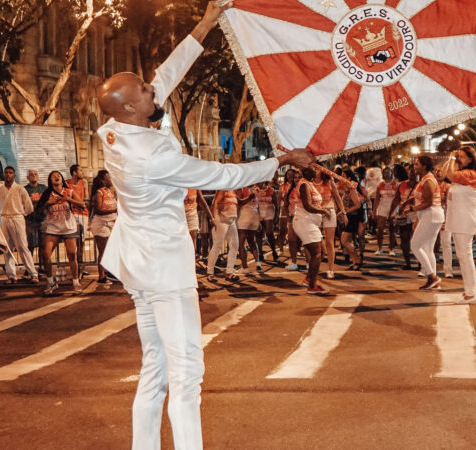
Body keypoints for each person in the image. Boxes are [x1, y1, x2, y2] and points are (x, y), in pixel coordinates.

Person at [95, 3, 315, 447]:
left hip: (137, 264)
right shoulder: (154, 157)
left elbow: (165, 75)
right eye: (146, 90)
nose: (155, 89)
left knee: (155, 366)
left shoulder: (114, 129)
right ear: (135, 106)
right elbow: (223, 176)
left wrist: (208, 20)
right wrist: (281, 161)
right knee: (187, 373)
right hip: (164, 270)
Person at [440, 146, 476, 303]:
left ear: (471, 159)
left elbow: (449, 174)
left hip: (465, 219)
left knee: (465, 255)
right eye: (459, 156)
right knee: (463, 255)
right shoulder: (461, 175)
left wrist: (452, 158)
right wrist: (451, 157)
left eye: (463, 156)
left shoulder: (470, 174)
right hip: (459, 219)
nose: (459, 159)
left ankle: (471, 293)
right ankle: (469, 291)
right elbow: (445, 172)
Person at [36, 171, 84, 295]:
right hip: (53, 228)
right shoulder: (47, 194)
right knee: (45, 254)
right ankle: (51, 282)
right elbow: (39, 210)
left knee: (72, 255)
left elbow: (82, 204)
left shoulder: (70, 192)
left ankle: (75, 282)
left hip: (68, 227)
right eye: (53, 176)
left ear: (62, 179)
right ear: (50, 181)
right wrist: (48, 203)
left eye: (58, 175)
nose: (56, 177)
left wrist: (68, 199)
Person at [405, 156, 444, 290]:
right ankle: (433, 281)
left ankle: (432, 276)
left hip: (431, 215)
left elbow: (428, 202)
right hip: (430, 216)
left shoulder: (428, 180)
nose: (414, 167)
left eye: (417, 164)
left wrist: (412, 209)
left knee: (415, 245)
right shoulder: (424, 179)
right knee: (427, 249)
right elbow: (420, 199)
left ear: (424, 166)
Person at [0, 166, 38, 284]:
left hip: (17, 217)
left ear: (14, 175)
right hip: (4, 218)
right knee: (7, 248)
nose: (8, 175)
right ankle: (11, 275)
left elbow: (29, 206)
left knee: (23, 246)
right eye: (6, 173)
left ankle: (33, 273)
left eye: (10, 173)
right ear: (4, 174)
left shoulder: (20, 189)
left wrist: (21, 214)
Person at [294, 167, 330, 294]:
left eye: (316, 168)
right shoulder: (304, 185)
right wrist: (323, 211)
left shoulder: (309, 184)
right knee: (317, 254)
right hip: (305, 222)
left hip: (310, 223)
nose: (316, 171)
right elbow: (308, 206)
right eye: (313, 169)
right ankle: (312, 286)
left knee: (322, 252)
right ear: (305, 171)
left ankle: (308, 279)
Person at [314, 170, 346, 279]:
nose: (314, 171)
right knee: (316, 242)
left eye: (316, 169)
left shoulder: (329, 181)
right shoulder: (309, 183)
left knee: (329, 242)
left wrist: (343, 212)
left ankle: (331, 269)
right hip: (315, 213)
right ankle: (314, 267)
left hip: (329, 212)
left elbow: (337, 197)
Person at [88, 170, 117, 284]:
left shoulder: (109, 191)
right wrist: (115, 210)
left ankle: (110, 272)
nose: (111, 179)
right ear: (103, 180)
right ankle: (101, 276)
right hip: (101, 224)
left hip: (111, 223)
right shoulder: (99, 192)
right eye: (109, 177)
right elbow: (98, 210)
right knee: (103, 251)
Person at [207, 190, 240, 282]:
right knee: (217, 246)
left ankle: (229, 272)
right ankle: (210, 273)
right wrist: (213, 219)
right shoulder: (223, 188)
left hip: (231, 220)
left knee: (234, 245)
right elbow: (215, 202)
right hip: (221, 220)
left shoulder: (233, 190)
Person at [389, 164, 417, 270]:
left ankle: (421, 263)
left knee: (416, 240)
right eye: (410, 171)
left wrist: (406, 203)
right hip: (404, 216)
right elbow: (396, 199)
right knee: (404, 239)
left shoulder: (421, 184)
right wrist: (390, 213)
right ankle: (407, 263)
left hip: (417, 216)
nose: (412, 173)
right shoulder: (402, 185)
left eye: (414, 171)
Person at [66, 164, 90, 277]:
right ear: (74, 172)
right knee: (72, 242)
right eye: (81, 170)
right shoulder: (67, 183)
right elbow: (66, 199)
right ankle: (74, 267)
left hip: (82, 213)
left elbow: (86, 199)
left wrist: (75, 201)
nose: (82, 172)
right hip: (71, 213)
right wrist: (78, 202)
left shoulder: (83, 183)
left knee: (81, 241)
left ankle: (80, 266)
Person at [340, 170, 364, 270]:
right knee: (348, 240)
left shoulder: (351, 189)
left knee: (344, 240)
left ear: (349, 178)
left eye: (343, 176)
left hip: (353, 217)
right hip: (349, 217)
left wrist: (346, 212)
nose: (341, 178)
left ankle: (357, 259)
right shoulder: (347, 189)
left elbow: (357, 205)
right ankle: (354, 261)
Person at [24, 169, 47, 271]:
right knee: (30, 245)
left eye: (35, 174)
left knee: (43, 244)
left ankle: (42, 266)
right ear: (27, 177)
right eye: (31, 175)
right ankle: (30, 268)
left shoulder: (43, 188)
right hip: (30, 220)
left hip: (43, 219)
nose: (33, 176)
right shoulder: (24, 189)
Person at [235, 185, 261, 274]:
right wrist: (259, 219)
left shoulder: (241, 188)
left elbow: (239, 202)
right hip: (255, 215)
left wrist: (248, 198)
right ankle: (258, 262)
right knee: (251, 240)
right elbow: (259, 206)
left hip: (244, 216)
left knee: (241, 243)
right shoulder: (256, 189)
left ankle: (245, 267)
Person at [373, 167, 399, 256]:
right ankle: (379, 248)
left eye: (388, 172)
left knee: (392, 229)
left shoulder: (396, 184)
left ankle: (391, 249)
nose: (387, 174)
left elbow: (398, 198)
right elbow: (376, 199)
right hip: (382, 207)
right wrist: (374, 211)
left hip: (393, 207)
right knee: (379, 229)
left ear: (392, 173)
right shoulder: (380, 185)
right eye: (385, 172)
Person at [435, 167, 453, 277]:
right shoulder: (431, 184)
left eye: (441, 170)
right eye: (436, 170)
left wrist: (446, 220)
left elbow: (450, 205)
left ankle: (448, 270)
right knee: (429, 244)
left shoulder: (448, 187)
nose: (438, 172)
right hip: (432, 216)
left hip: (445, 217)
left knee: (446, 244)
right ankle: (426, 269)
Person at [254, 180, 278, 262]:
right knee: (259, 234)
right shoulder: (255, 190)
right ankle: (260, 253)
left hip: (269, 213)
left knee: (269, 233)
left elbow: (276, 204)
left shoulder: (271, 190)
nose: (258, 183)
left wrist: (276, 216)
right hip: (258, 214)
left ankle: (274, 250)